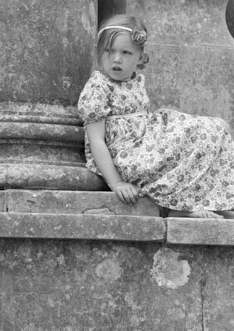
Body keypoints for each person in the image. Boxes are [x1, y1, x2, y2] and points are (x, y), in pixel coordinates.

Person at [78, 14, 234, 219]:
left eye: (126, 52)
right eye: (109, 51)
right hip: (129, 154)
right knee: (179, 149)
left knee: (216, 127)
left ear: (140, 57)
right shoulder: (98, 86)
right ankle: (180, 208)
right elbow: (96, 140)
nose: (116, 59)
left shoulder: (134, 81)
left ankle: (214, 200)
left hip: (148, 140)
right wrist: (116, 182)